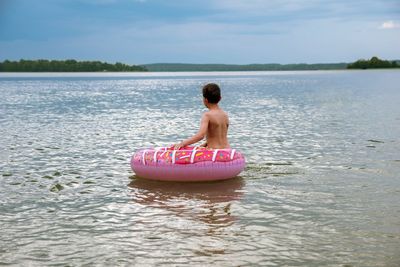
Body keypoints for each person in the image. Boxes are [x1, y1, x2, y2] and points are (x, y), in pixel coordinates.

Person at [173, 83, 230, 150]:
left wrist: (183, 143)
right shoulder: (224, 115)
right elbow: (219, 135)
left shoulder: (207, 115)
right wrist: (206, 143)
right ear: (220, 98)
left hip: (215, 152)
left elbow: (201, 135)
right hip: (227, 151)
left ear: (205, 100)